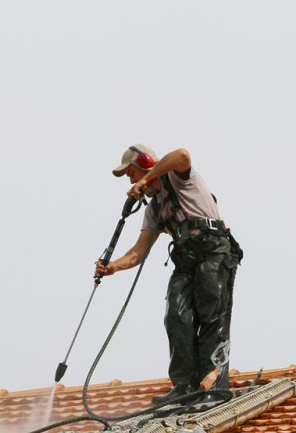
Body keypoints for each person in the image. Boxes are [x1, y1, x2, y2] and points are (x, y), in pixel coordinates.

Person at [94, 144, 242, 403]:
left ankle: (213, 382)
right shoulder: (154, 210)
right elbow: (138, 252)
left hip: (214, 251)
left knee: (210, 311)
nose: (131, 180)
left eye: (131, 173)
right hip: (186, 260)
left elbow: (182, 155)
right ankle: (184, 385)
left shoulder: (179, 177)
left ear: (145, 164)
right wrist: (113, 266)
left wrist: (146, 178)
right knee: (176, 315)